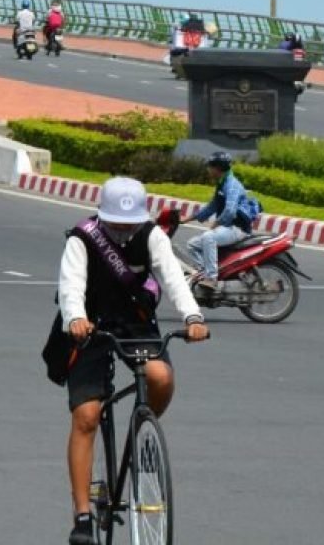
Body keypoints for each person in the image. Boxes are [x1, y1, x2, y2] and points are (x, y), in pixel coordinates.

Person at [58, 177, 209, 545]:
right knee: (87, 415)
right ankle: (82, 515)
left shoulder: (151, 235)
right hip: (90, 325)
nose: (124, 229)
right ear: (103, 215)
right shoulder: (83, 238)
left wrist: (192, 316)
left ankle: (142, 436)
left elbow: (173, 277)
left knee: (160, 377)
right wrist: (75, 318)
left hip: (135, 323)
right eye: (116, 222)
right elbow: (71, 286)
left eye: (130, 223)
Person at [186, 151, 249, 289]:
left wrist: (217, 223)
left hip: (237, 228)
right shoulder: (222, 183)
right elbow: (211, 206)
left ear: (218, 168)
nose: (208, 169)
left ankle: (212, 278)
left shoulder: (232, 185)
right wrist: (186, 219)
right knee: (192, 245)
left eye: (210, 167)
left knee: (208, 237)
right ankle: (204, 272)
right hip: (227, 228)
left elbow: (230, 211)